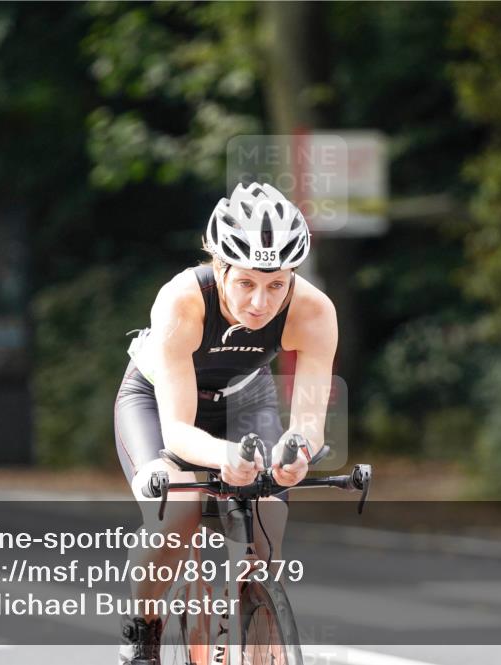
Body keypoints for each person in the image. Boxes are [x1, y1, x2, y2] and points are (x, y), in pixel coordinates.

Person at [114, 182, 338, 665]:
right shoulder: (182, 301)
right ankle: (142, 636)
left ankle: (257, 629)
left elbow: (308, 424)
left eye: (276, 284)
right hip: (157, 401)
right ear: (220, 268)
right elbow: (177, 433)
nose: (260, 303)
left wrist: (294, 455)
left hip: (243, 397)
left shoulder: (315, 311)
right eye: (246, 283)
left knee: (269, 516)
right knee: (179, 511)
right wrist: (225, 458)